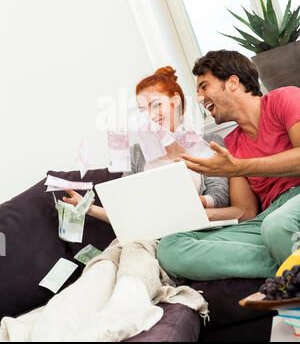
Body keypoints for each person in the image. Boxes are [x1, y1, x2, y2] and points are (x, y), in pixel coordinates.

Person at [157, 50, 300, 281]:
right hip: (268, 218)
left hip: (291, 207)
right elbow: (245, 212)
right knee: (170, 247)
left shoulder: (284, 98)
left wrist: (238, 167)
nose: (200, 98)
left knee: (276, 227)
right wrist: (188, 213)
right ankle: (287, 260)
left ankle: (287, 260)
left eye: (204, 86)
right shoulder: (230, 144)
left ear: (233, 82)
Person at [64, 66, 258, 227]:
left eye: (156, 105)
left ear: (177, 103)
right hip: (144, 235)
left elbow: (219, 197)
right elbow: (128, 213)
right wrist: (88, 208)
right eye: (142, 110)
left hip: (190, 229)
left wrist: (177, 204)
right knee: (106, 264)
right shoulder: (137, 153)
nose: (149, 115)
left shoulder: (205, 142)